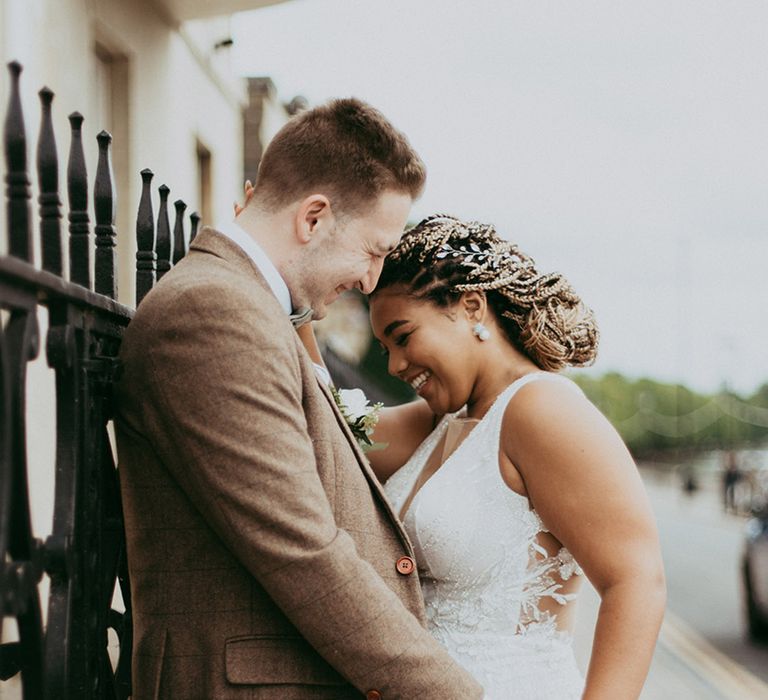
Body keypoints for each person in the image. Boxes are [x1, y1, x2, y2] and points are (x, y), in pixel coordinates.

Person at [115, 104, 483, 699]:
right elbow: (301, 550)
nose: (370, 281)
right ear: (314, 217)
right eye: (372, 249)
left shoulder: (252, 309)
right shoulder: (214, 312)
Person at [361, 214, 666, 699]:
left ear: (471, 307)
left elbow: (636, 581)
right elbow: (327, 432)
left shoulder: (541, 408)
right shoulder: (437, 422)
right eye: (384, 348)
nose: (396, 364)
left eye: (403, 337)